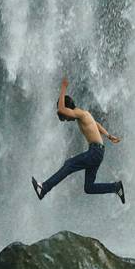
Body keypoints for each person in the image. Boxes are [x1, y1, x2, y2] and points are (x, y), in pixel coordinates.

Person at [32, 75, 126, 204]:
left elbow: (61, 109)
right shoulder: (84, 115)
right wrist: (108, 135)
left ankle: (44, 188)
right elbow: (96, 124)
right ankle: (116, 187)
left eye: (65, 117)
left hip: (95, 152)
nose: (66, 119)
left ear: (69, 109)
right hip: (98, 152)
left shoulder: (79, 113)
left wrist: (63, 87)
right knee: (89, 187)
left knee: (69, 164)